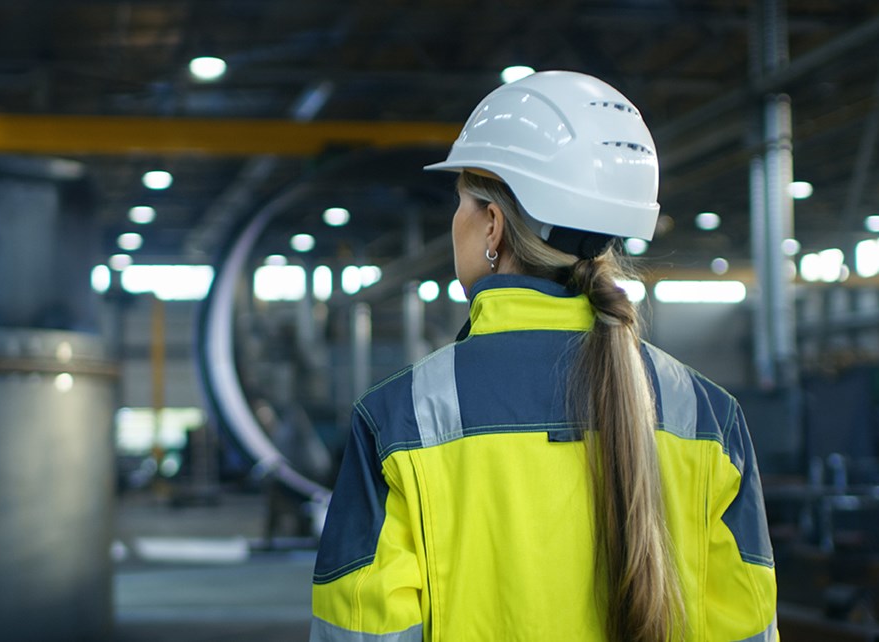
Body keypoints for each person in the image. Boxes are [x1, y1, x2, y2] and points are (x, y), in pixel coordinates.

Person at [311, 71, 777, 641]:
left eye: (461, 202)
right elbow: (747, 626)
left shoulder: (399, 419)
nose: (454, 222)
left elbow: (362, 631)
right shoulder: (707, 417)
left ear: (492, 225)